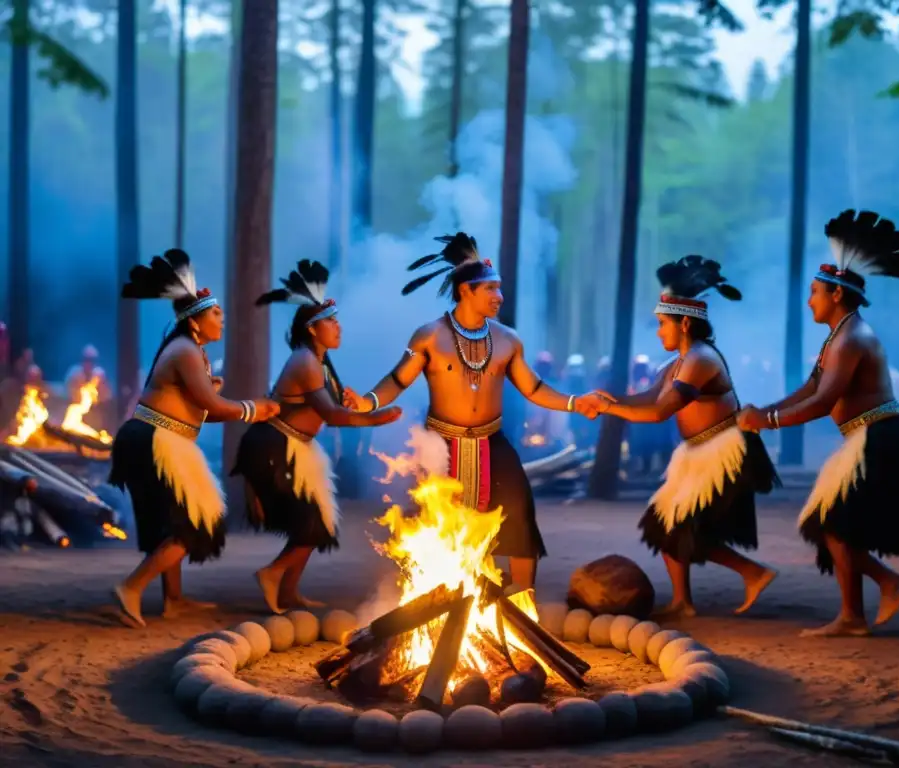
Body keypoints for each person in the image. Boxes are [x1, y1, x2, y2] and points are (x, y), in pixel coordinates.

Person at [344, 233, 606, 590]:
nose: (499, 297)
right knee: (437, 521)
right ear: (466, 290)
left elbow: (534, 388)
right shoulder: (428, 336)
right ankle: (443, 599)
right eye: (491, 289)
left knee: (518, 512)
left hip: (492, 442)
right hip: (441, 445)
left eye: (499, 289)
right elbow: (396, 379)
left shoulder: (508, 339)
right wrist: (367, 402)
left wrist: (577, 403)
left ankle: (523, 604)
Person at [737, 209, 899, 637]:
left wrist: (765, 421)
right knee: (835, 525)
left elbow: (823, 402)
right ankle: (861, 609)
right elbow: (809, 388)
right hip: (869, 437)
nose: (810, 301)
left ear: (836, 296)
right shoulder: (838, 336)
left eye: (815, 292)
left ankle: (875, 596)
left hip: (882, 438)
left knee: (833, 524)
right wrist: (760, 412)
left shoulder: (853, 337)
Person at [593, 255, 781, 619]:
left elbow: (661, 411)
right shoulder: (675, 363)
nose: (658, 331)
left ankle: (753, 573)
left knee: (683, 527)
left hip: (726, 452)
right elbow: (647, 399)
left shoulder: (701, 358)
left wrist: (609, 409)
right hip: (697, 453)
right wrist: (606, 400)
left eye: (662, 324)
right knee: (664, 524)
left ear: (683, 324)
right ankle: (684, 600)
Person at [109, 249, 280, 628]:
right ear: (196, 321)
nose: (222, 318)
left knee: (174, 521)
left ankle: (174, 600)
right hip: (153, 440)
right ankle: (131, 588)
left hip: (158, 438)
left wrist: (216, 397)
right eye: (215, 313)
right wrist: (254, 408)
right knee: (192, 524)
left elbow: (200, 408)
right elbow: (212, 408)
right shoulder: (186, 350)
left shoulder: (193, 352)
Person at [232, 260, 403, 614]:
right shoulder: (305, 361)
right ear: (312, 329)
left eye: (337, 320)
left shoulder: (322, 363)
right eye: (331, 322)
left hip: (294, 446)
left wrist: (355, 401)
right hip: (273, 447)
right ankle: (272, 574)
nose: (338, 327)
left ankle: (289, 591)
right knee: (310, 523)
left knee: (318, 523)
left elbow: (337, 405)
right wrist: (376, 418)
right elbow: (333, 416)